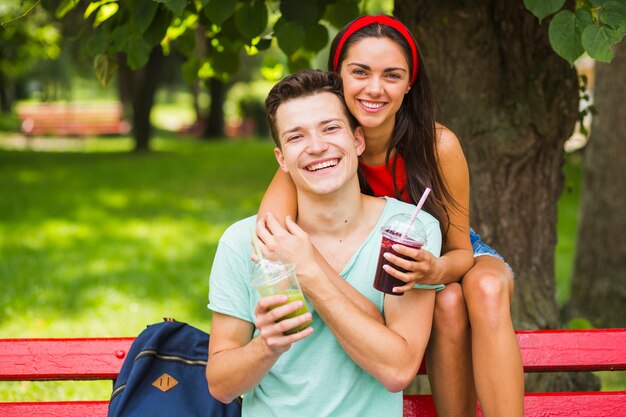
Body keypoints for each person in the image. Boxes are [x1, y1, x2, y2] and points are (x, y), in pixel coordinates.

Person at [258, 15, 524, 417]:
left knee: (483, 289)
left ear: (410, 84)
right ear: (338, 77)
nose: (375, 88)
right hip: (371, 269)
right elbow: (271, 236)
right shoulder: (320, 149)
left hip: (448, 254)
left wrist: (433, 270)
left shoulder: (438, 145)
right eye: (360, 72)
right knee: (448, 305)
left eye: (392, 75)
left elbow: (460, 251)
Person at [206, 69, 443, 417]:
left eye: (330, 128)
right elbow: (220, 385)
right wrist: (266, 347)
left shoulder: (407, 231)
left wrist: (308, 269)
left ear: (358, 140)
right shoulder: (242, 242)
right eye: (297, 137)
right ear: (281, 158)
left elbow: (398, 369)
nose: (317, 147)